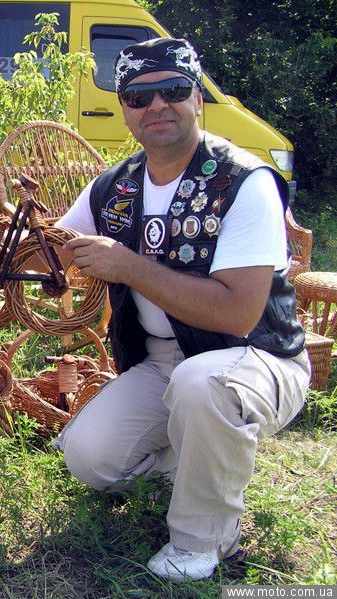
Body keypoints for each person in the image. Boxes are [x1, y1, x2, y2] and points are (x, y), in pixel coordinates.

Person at [52, 37, 310, 582]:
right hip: (165, 360)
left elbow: (238, 315)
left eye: (172, 90)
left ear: (197, 97)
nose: (156, 106)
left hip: (256, 356)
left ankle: (204, 540)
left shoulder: (244, 181)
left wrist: (128, 266)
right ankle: (197, 465)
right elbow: (54, 246)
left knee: (203, 385)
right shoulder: (114, 186)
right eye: (138, 96)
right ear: (124, 108)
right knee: (90, 458)